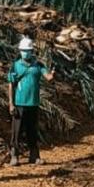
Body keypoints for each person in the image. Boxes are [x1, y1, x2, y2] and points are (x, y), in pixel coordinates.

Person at [7, 37, 55, 166]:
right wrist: (11, 103)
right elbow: (11, 84)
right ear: (20, 51)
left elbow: (47, 76)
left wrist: (52, 76)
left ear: (32, 51)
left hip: (33, 103)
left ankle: (34, 156)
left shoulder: (38, 65)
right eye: (23, 50)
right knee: (16, 131)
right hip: (19, 104)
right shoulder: (15, 66)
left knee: (32, 131)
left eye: (27, 50)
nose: (25, 53)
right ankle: (14, 155)